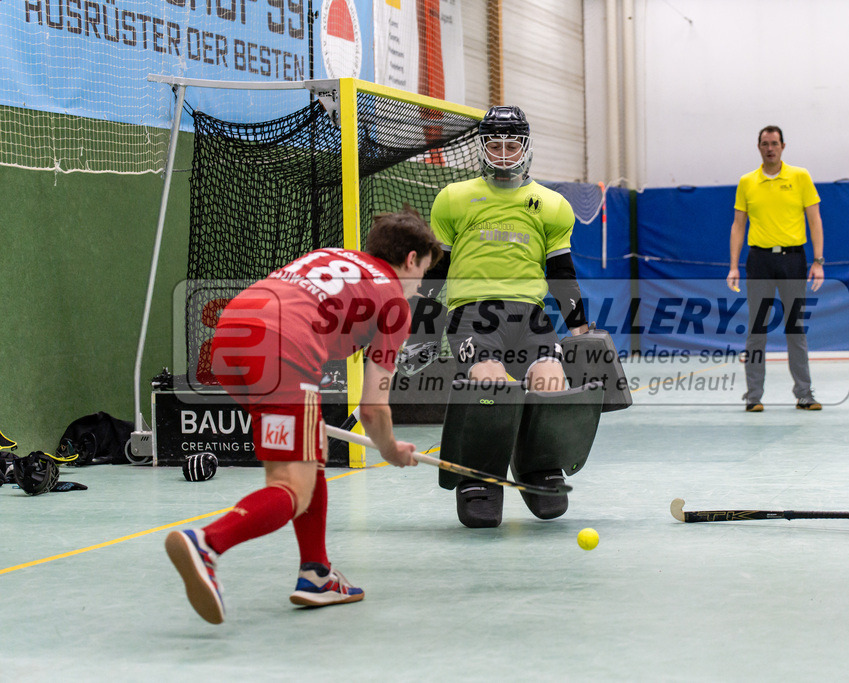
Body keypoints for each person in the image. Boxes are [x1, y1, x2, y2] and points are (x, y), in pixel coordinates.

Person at [165, 208, 441, 624]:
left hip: (230, 338)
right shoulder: (395, 303)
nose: (420, 285)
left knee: (307, 464)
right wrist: (389, 449)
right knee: (291, 486)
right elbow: (372, 407)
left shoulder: (333, 257)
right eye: (423, 272)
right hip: (284, 352)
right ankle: (206, 543)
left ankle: (317, 574)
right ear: (410, 259)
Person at [420, 105, 594, 527]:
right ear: (481, 147)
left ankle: (538, 464)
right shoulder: (453, 199)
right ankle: (480, 478)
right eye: (494, 144)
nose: (502, 152)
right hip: (473, 314)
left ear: (525, 147)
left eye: (510, 144)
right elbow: (436, 273)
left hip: (531, 316)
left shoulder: (553, 206)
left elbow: (561, 274)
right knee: (492, 381)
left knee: (550, 380)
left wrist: (580, 329)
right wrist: (421, 329)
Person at [726, 125, 824, 412]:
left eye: (775, 143)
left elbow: (815, 220)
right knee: (757, 330)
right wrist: (733, 265)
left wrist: (818, 261)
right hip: (759, 262)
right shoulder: (747, 182)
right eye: (765, 143)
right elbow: (738, 225)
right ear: (759, 147)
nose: (770, 148)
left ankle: (804, 394)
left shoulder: (800, 177)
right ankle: (753, 396)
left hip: (793, 260)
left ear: (783, 146)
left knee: (796, 329)